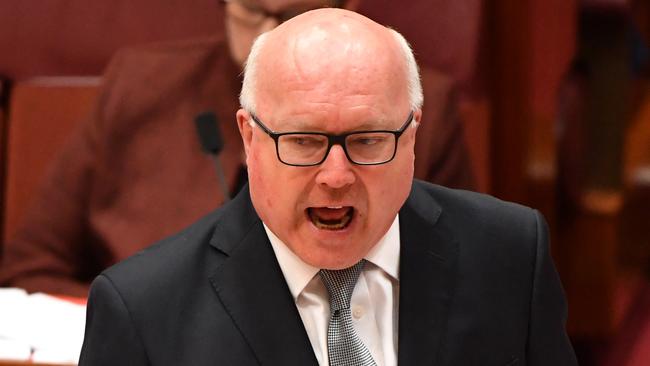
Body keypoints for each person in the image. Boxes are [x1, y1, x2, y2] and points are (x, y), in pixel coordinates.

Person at [79, 9, 577, 365]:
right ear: (249, 137)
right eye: (301, 141)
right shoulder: (142, 311)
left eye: (367, 140)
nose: (336, 176)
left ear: (412, 135)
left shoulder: (512, 253)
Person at [0, 0, 474, 298]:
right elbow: (30, 267)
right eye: (251, 13)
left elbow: (459, 280)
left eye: (290, 18)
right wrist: (136, 323)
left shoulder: (407, 107)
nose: (264, 40)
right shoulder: (137, 86)